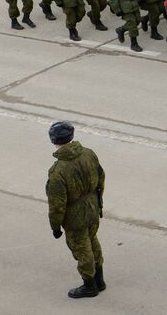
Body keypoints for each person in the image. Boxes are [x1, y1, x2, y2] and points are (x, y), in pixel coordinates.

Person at [45, 121, 106, 299]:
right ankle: (99, 280)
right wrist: (98, 202)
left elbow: (57, 205)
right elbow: (101, 177)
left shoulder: (58, 171)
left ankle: (89, 285)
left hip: (75, 216)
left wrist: (55, 227)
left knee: (81, 248)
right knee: (93, 241)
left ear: (53, 140)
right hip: (93, 207)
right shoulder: (88, 153)